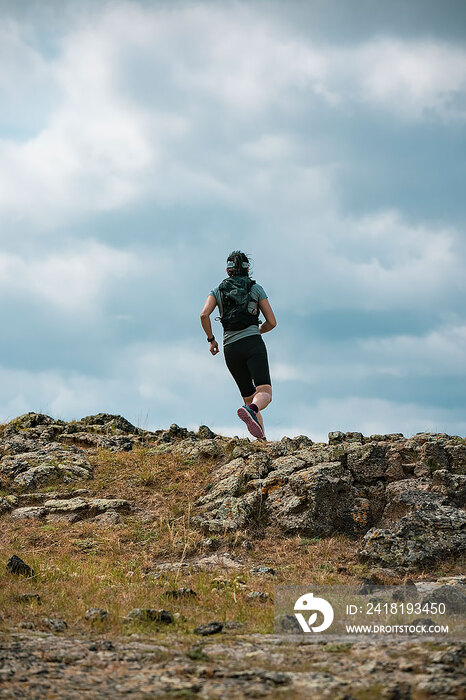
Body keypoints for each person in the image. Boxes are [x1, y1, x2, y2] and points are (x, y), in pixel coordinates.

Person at [200, 251, 277, 440]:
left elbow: (203, 315)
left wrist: (211, 340)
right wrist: (256, 330)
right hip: (252, 344)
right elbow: (272, 322)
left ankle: (262, 440)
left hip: (230, 349)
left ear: (228, 270)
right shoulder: (256, 288)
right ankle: (251, 410)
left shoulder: (217, 290)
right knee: (264, 392)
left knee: (249, 396)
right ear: (247, 269)